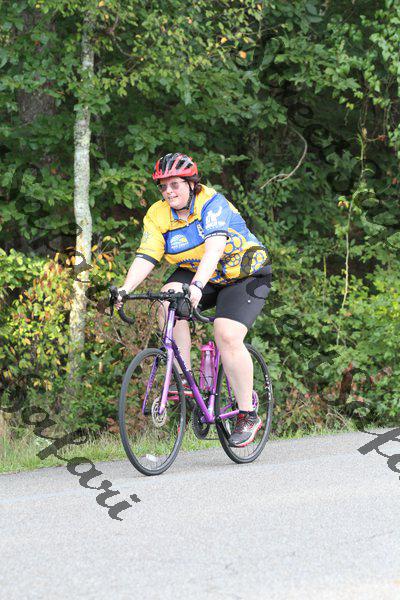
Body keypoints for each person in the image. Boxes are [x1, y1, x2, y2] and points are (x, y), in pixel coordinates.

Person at [115, 152, 272, 447]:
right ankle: (184, 377)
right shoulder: (158, 214)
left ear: (191, 184)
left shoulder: (211, 203)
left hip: (245, 275)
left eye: (174, 184)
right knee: (167, 300)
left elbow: (214, 250)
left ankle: (247, 414)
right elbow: (146, 255)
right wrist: (125, 288)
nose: (168, 192)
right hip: (200, 271)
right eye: (163, 187)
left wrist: (198, 286)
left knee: (226, 334)